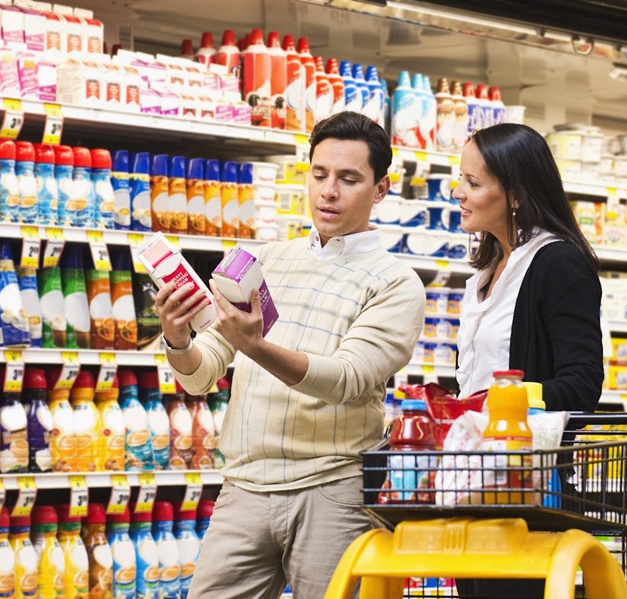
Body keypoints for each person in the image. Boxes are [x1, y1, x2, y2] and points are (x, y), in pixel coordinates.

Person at [154, 111, 426, 598]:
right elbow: (200, 375)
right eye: (320, 175)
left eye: (348, 179)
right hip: (244, 486)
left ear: (381, 189)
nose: (328, 191)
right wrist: (178, 339)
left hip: (333, 490)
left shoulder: (395, 283)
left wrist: (254, 345)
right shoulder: (267, 260)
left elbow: (346, 379)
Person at [453, 123, 604, 598]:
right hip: (474, 483)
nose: (459, 192)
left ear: (515, 194)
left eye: (474, 183)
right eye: (460, 178)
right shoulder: (482, 274)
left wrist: (504, 403)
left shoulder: (558, 264)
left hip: (528, 489)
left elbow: (582, 383)